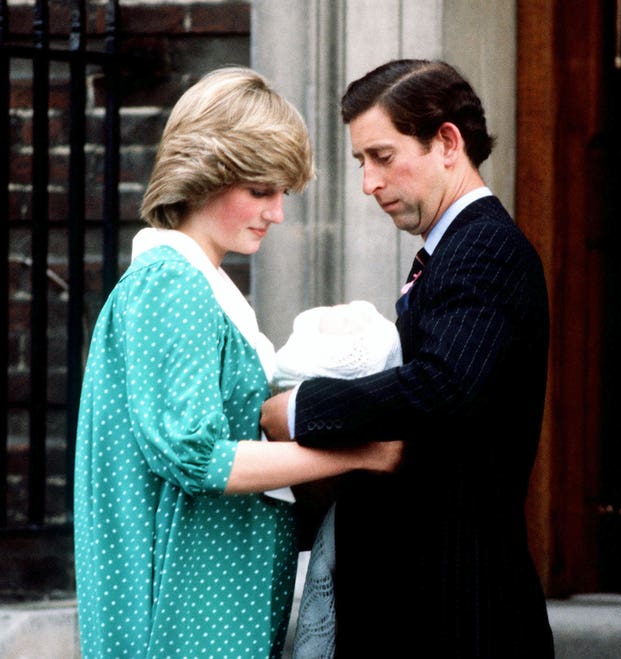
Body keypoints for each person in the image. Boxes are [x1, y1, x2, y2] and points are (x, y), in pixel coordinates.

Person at [73, 66, 403, 659]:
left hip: (216, 596)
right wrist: (359, 453)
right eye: (260, 190)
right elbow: (195, 456)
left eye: (281, 193)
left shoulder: (199, 285)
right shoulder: (170, 285)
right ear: (204, 175)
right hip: (185, 611)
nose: (276, 212)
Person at [261, 59, 555, 658]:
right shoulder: (452, 250)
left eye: (383, 156)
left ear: (448, 142)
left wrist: (298, 410)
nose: (369, 183)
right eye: (360, 162)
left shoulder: (484, 247)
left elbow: (444, 387)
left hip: (458, 607)